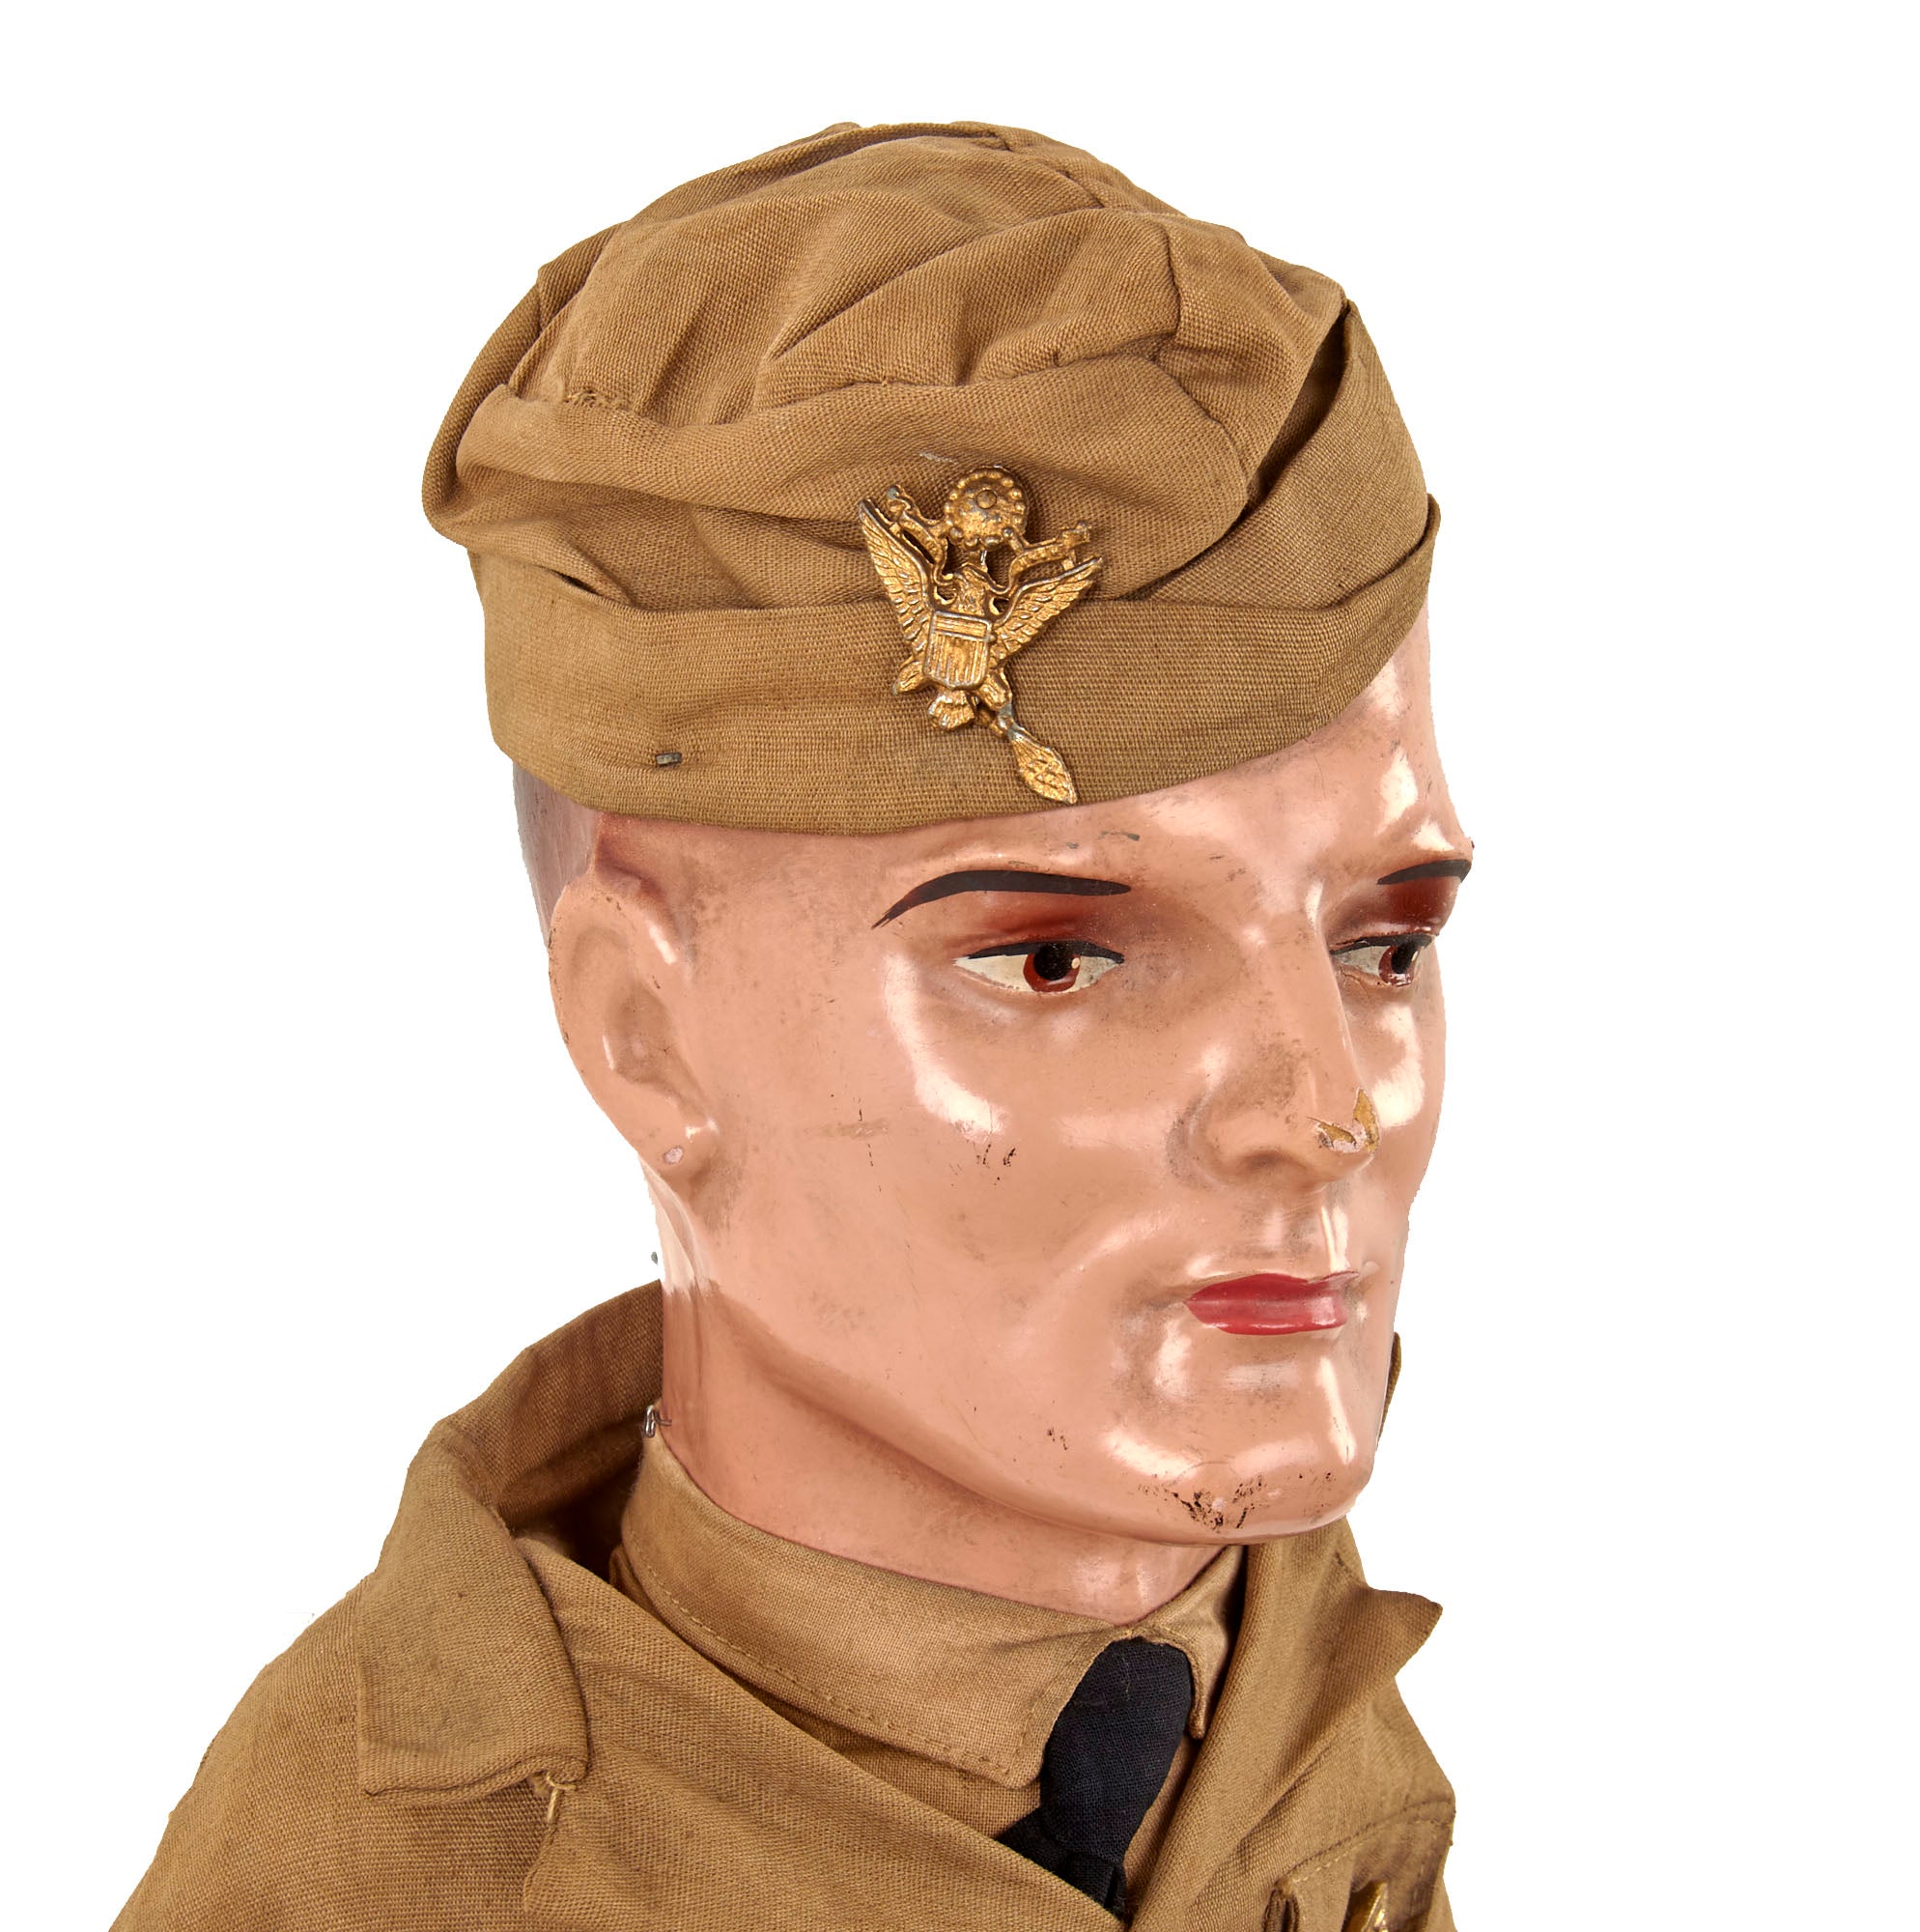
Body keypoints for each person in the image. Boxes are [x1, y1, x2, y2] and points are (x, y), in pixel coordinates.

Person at [117, 120, 1469, 1932]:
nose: (1323, 1110)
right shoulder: (394, 1886)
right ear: (642, 1039)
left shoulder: (1299, 1711)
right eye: (1058, 963)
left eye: (1382, 940)